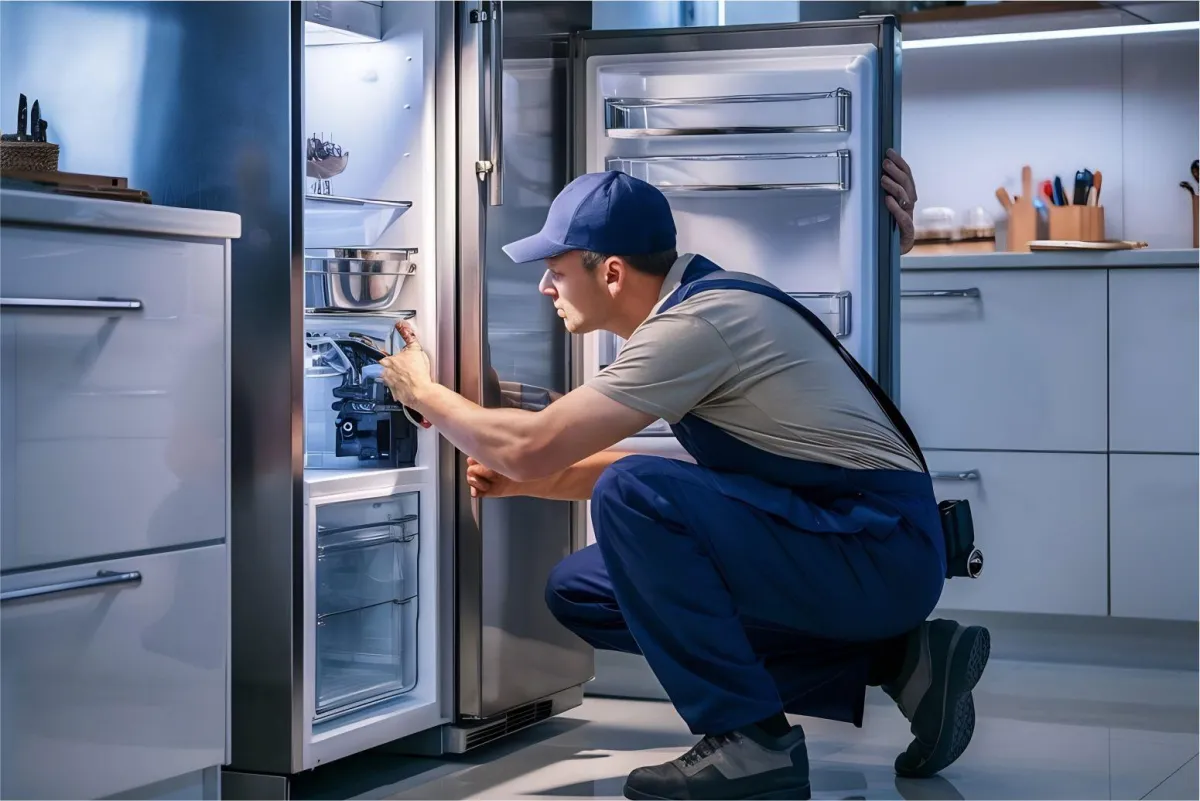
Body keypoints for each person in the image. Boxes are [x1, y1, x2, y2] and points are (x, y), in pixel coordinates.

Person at [378, 151, 991, 801]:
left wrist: (426, 393)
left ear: (610, 272)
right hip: (844, 536)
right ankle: (903, 662)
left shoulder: (694, 325)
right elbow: (691, 488)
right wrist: (535, 479)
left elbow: (540, 448)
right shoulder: (697, 304)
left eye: (555, 270)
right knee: (585, 588)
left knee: (630, 492)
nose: (544, 287)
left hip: (880, 546)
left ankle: (752, 741)